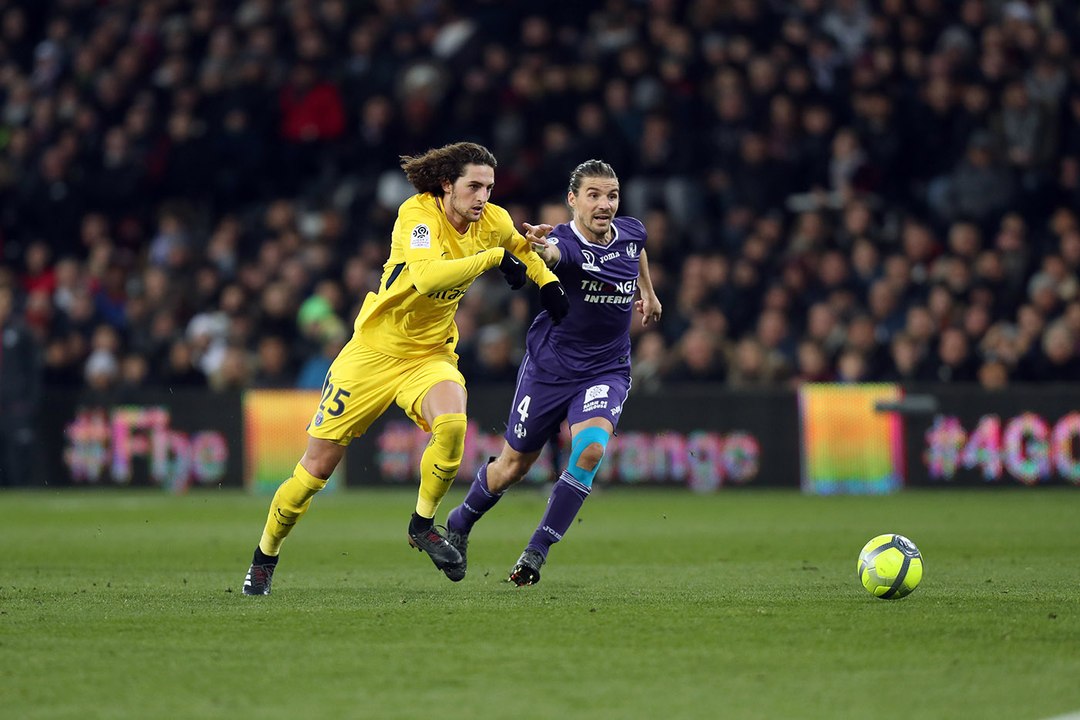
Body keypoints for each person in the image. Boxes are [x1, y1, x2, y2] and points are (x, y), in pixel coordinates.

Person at [242, 142, 569, 594]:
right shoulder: (417, 217)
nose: (482, 197)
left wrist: (547, 282)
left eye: (489, 188)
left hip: (429, 353)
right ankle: (265, 556)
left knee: (453, 425)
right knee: (314, 471)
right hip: (371, 355)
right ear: (447, 185)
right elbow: (428, 277)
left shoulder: (493, 219)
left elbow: (521, 247)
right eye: (473, 186)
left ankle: (422, 524)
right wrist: (496, 259)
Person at [443, 159, 662, 585]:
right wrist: (539, 249)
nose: (604, 205)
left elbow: (638, 252)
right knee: (513, 466)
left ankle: (535, 552)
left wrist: (648, 294)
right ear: (572, 200)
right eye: (594, 195)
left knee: (591, 451)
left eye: (611, 195)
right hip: (549, 368)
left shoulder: (632, 231)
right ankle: (459, 521)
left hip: (607, 368)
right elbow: (551, 255)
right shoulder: (561, 240)